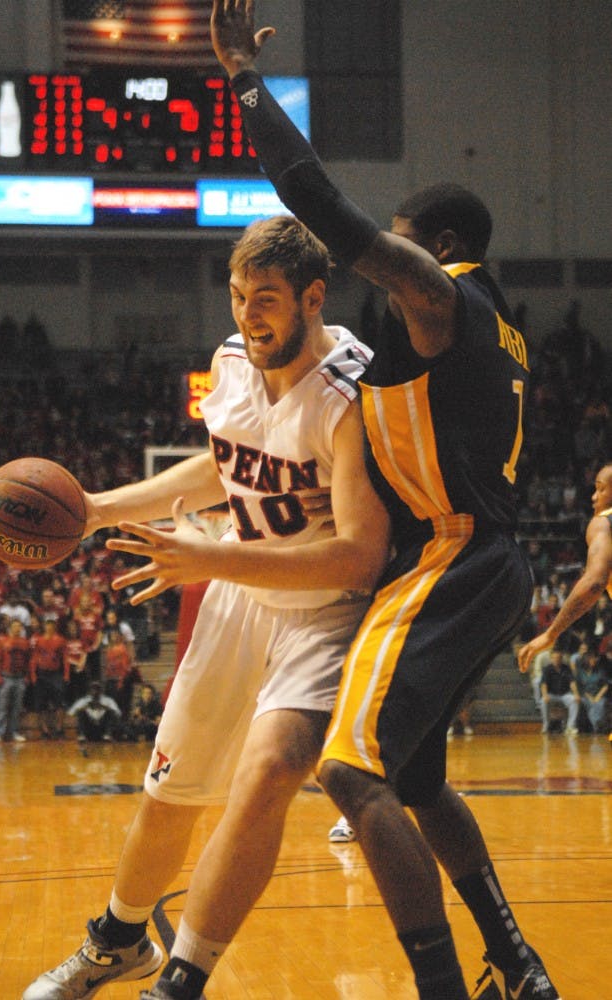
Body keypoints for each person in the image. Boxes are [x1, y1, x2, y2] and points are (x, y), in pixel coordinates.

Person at [210, 5, 561, 999]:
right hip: (489, 559)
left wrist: (244, 82)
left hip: (453, 558)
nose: (384, 258)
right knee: (418, 781)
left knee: (349, 773)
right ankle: (518, 963)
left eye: (402, 242)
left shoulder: (441, 296)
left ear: (438, 243)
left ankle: (444, 988)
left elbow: (322, 208)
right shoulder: (507, 335)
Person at [21, 214, 389, 1000]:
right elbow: (226, 468)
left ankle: (181, 980)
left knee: (269, 774)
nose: (246, 315)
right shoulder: (230, 363)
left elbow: (360, 553)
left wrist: (205, 557)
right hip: (237, 598)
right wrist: (96, 508)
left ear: (312, 298)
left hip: (323, 611)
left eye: (264, 299)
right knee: (169, 794)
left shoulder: (353, 394)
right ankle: (118, 942)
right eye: (236, 295)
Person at [518, 462, 612, 673]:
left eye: (601, 488)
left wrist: (551, 633)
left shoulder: (603, 523)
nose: (594, 497)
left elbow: (595, 582)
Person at [0, 617, 31, 743]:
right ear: (10, 628)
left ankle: (14, 732)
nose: (16, 628)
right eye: (14, 626)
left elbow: (28, 661)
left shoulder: (25, 642)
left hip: (20, 678)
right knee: (2, 707)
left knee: (17, 707)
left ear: (21, 628)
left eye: (19, 626)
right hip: (6, 677)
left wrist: (27, 676)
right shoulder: (3, 642)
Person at [29, 617, 69, 739]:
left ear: (54, 628)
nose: (49, 628)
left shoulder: (61, 640)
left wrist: (66, 674)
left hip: (56, 674)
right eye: (47, 626)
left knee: (60, 703)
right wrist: (33, 675)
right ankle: (45, 730)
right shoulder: (39, 640)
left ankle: (59, 729)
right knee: (41, 704)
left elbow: (65, 658)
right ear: (44, 627)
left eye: (51, 626)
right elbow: (34, 658)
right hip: (42, 674)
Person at [538, 648, 580, 734]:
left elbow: (572, 682)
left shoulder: (566, 668)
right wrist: (545, 695)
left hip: (564, 694)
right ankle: (546, 725)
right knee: (543, 701)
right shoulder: (547, 669)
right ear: (551, 658)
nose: (556, 659)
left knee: (574, 700)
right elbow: (543, 684)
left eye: (558, 658)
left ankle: (570, 726)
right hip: (551, 695)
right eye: (554, 658)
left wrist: (576, 694)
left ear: (561, 658)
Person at [573, 648, 608, 733]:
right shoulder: (580, 672)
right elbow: (579, 687)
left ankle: (596, 726)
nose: (594, 660)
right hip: (585, 696)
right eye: (592, 659)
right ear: (587, 660)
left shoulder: (599, 671)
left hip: (598, 695)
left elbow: (605, 685)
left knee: (599, 704)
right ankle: (596, 726)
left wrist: (598, 696)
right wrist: (590, 697)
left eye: (594, 658)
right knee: (589, 704)